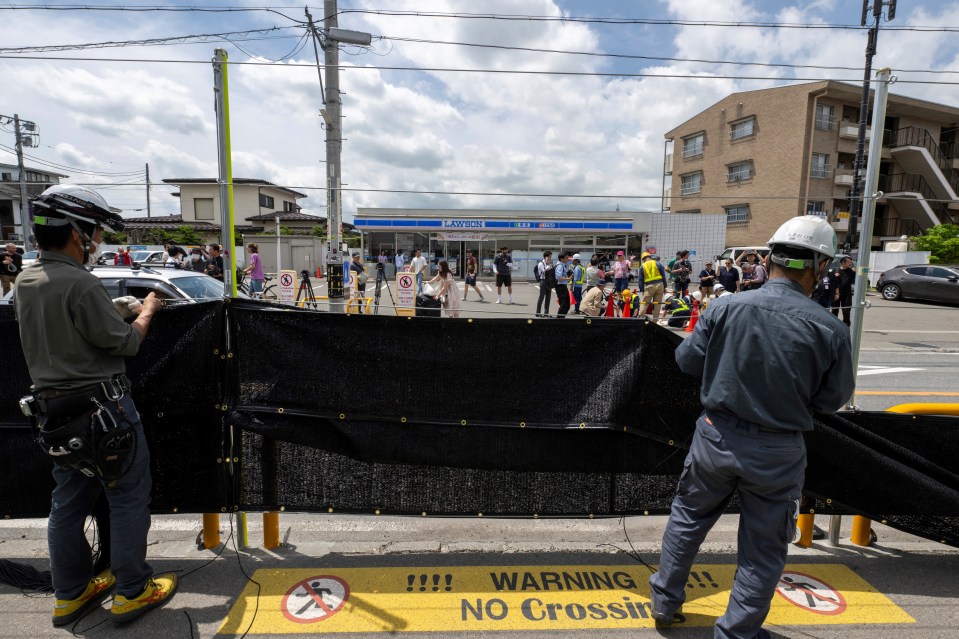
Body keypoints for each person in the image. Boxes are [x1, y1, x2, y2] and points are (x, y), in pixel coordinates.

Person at [648, 215, 854, 639]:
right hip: (777, 450)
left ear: (771, 257)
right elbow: (832, 401)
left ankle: (664, 604)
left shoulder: (725, 306)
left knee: (688, 519)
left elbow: (687, 361)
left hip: (715, 435)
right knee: (763, 548)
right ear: (818, 266)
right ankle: (736, 633)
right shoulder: (832, 329)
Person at [14, 185, 178, 628]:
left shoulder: (27, 280)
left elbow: (67, 327)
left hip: (54, 415)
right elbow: (125, 343)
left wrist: (110, 309)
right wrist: (145, 310)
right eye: (93, 232)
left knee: (66, 503)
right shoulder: (80, 281)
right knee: (126, 498)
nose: (96, 240)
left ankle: (70, 594)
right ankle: (132, 591)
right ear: (74, 233)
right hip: (105, 413)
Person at [638, 252, 665, 322]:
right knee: (657, 304)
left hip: (650, 286)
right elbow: (663, 276)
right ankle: (655, 322)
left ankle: (640, 319)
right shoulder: (658, 263)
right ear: (650, 257)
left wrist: (642, 289)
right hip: (660, 285)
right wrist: (665, 287)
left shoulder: (642, 266)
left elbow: (640, 280)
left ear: (643, 259)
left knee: (645, 303)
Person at [832, 256, 855, 326]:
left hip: (847, 294)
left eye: (851, 262)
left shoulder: (851, 271)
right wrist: (834, 276)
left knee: (846, 310)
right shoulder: (836, 271)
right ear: (843, 262)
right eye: (849, 262)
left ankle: (846, 324)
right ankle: (833, 324)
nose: (850, 264)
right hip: (836, 293)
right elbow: (831, 282)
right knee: (835, 310)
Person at [534, 251, 554, 317]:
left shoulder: (550, 264)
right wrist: (548, 264)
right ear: (546, 257)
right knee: (541, 297)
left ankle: (546, 313)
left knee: (548, 298)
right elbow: (545, 271)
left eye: (551, 257)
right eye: (550, 257)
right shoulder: (541, 263)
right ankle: (538, 313)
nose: (551, 258)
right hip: (543, 281)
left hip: (549, 281)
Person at [554, 252, 571, 317]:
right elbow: (558, 277)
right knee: (564, 304)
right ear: (561, 259)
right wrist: (567, 278)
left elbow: (570, 260)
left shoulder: (562, 264)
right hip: (560, 286)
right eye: (566, 258)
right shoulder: (560, 266)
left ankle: (561, 318)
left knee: (566, 304)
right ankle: (559, 319)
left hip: (562, 286)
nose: (567, 259)